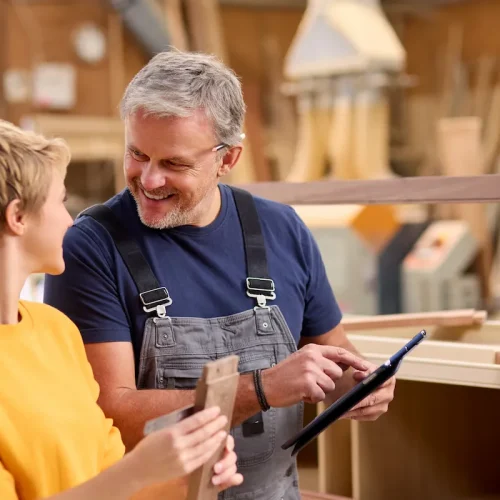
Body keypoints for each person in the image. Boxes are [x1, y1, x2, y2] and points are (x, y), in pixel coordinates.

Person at [44, 50, 396, 500]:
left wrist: (358, 385)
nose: (149, 180)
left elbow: (335, 352)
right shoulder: (91, 247)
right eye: (137, 154)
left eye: (174, 164)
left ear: (228, 159)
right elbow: (112, 415)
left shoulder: (281, 229)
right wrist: (262, 388)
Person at [0, 119, 243, 500]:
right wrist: (138, 470)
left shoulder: (55, 331)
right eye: (61, 200)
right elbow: (121, 480)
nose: (70, 220)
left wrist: (182, 478)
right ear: (18, 217)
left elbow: (107, 481)